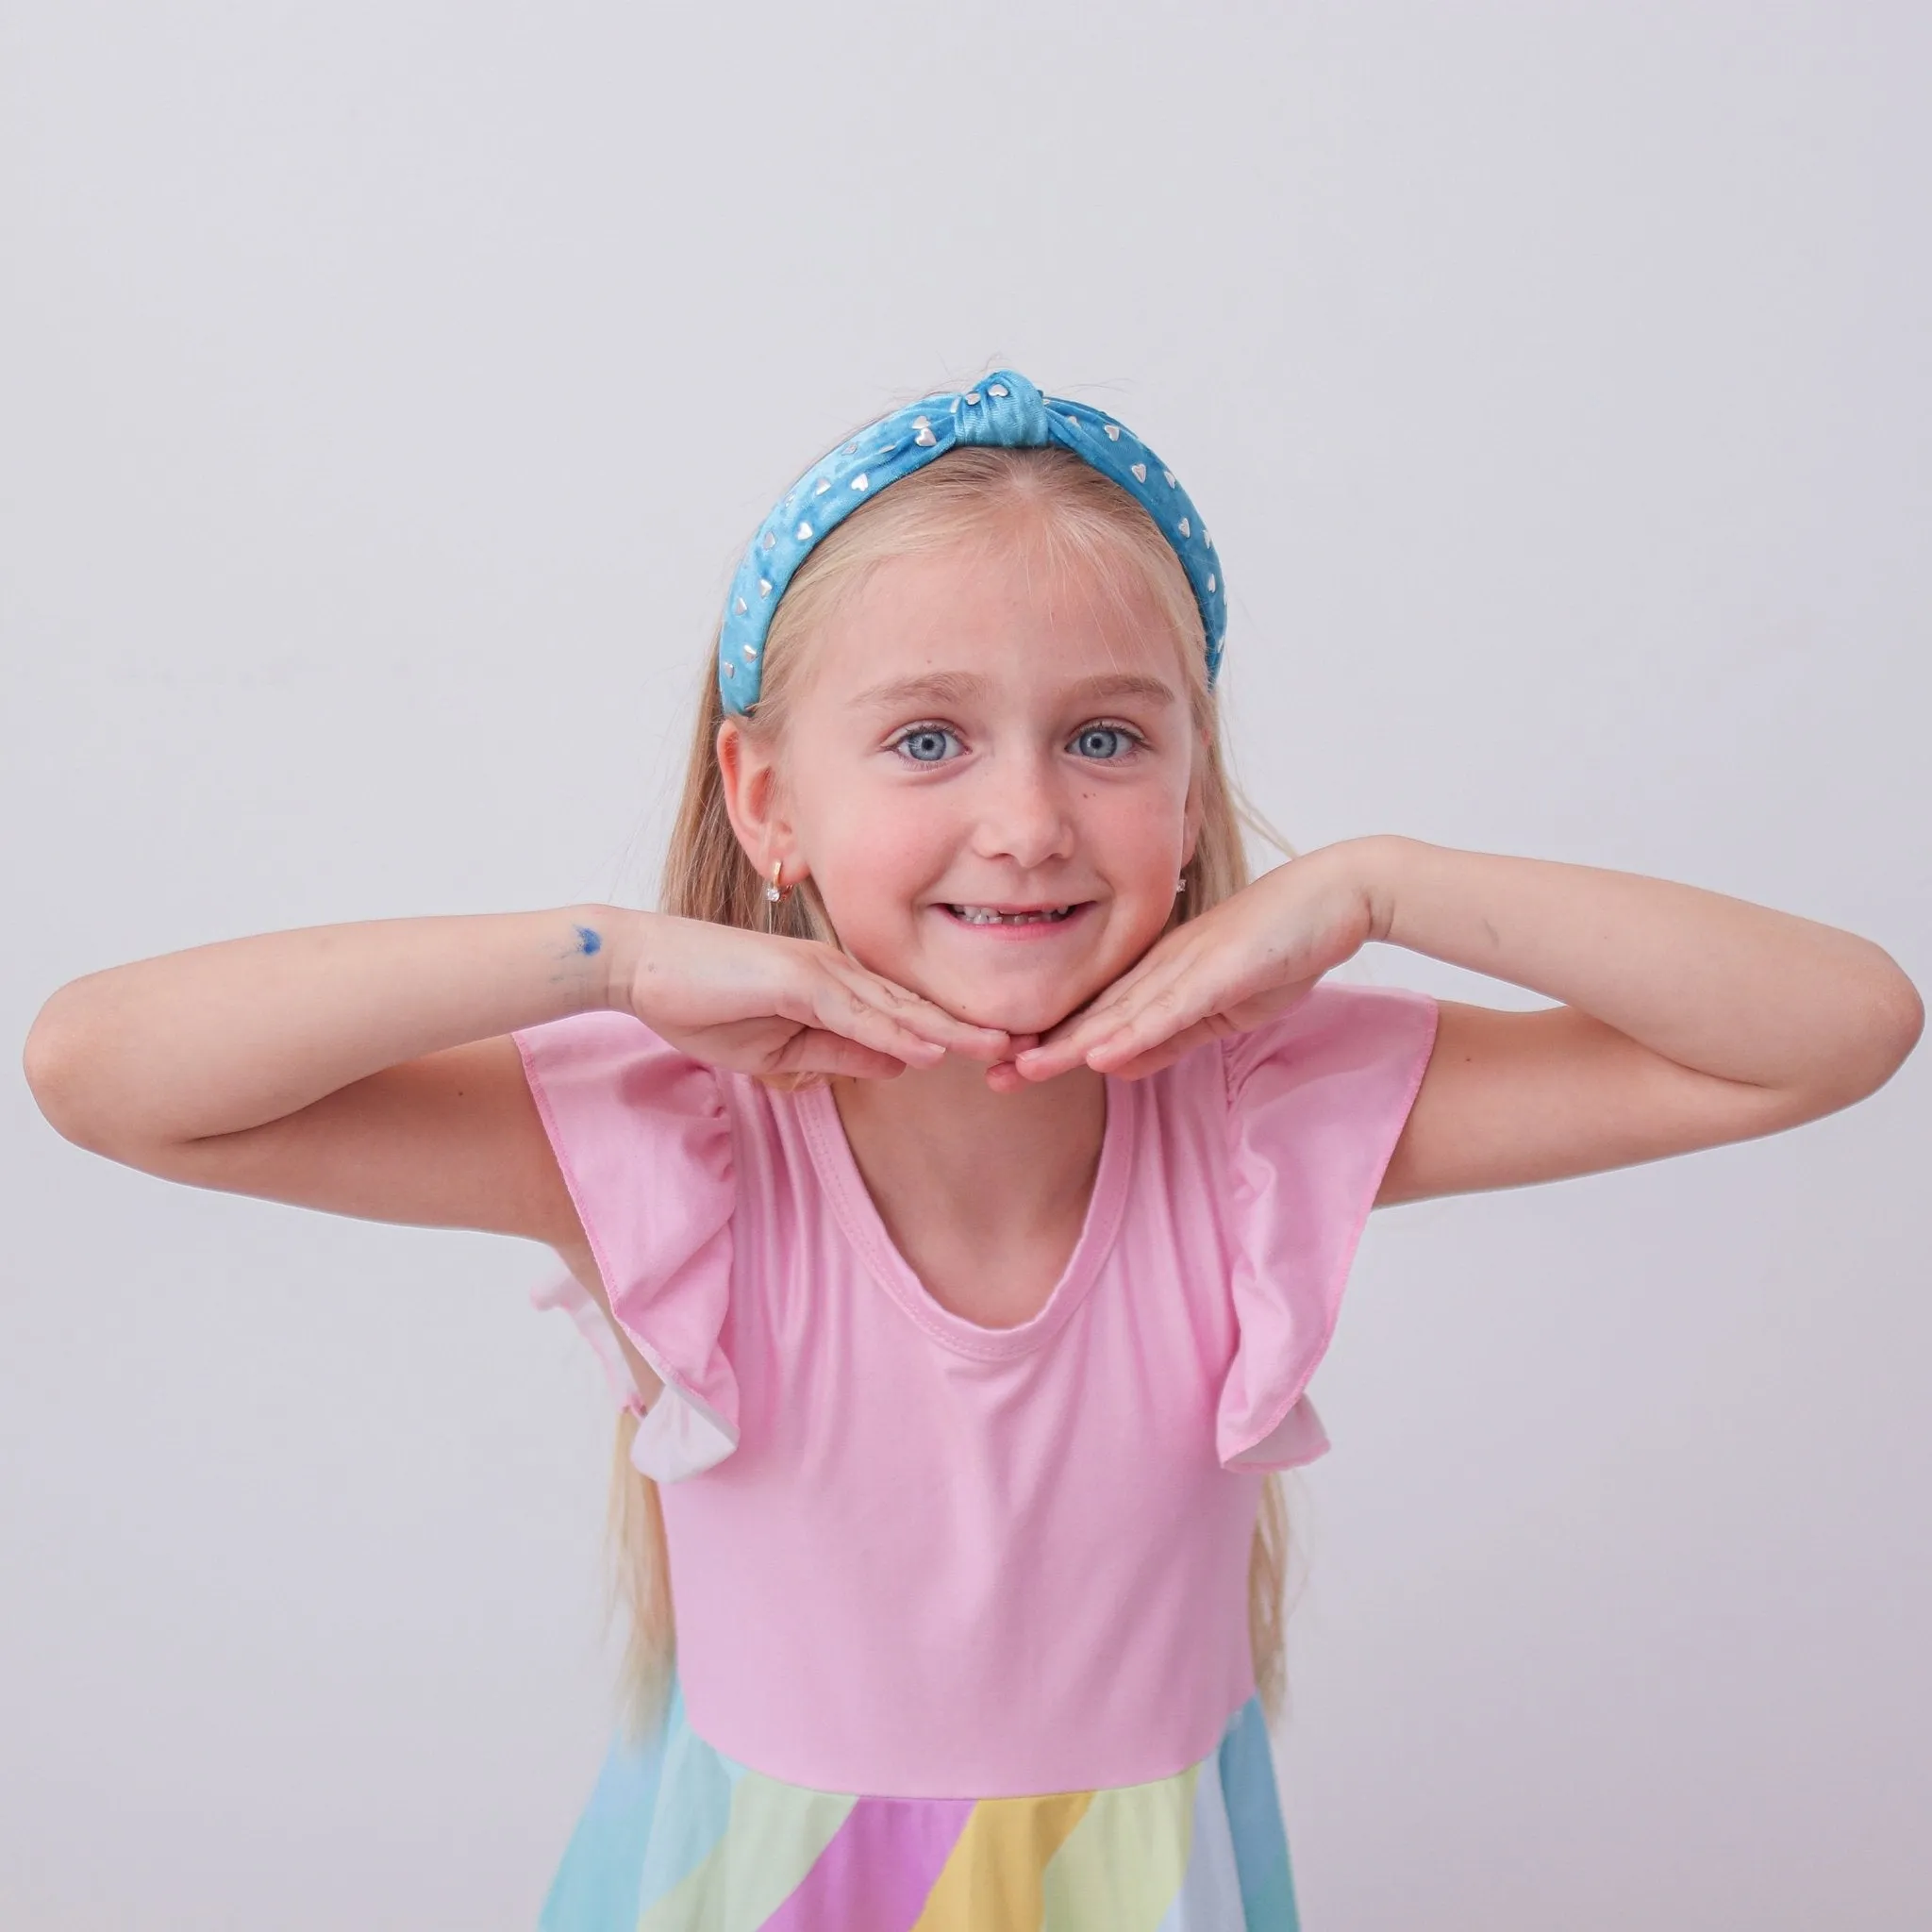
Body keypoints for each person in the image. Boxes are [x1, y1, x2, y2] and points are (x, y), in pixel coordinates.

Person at [23, 370, 1921, 1929]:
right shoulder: (673, 1135)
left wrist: (1373, 887)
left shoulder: (1260, 1120)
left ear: (1187, 792)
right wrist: (605, 953)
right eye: (926, 739)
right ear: (763, 793)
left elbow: (1834, 1029)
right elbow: (104, 1071)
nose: (1024, 818)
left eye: (1104, 738)